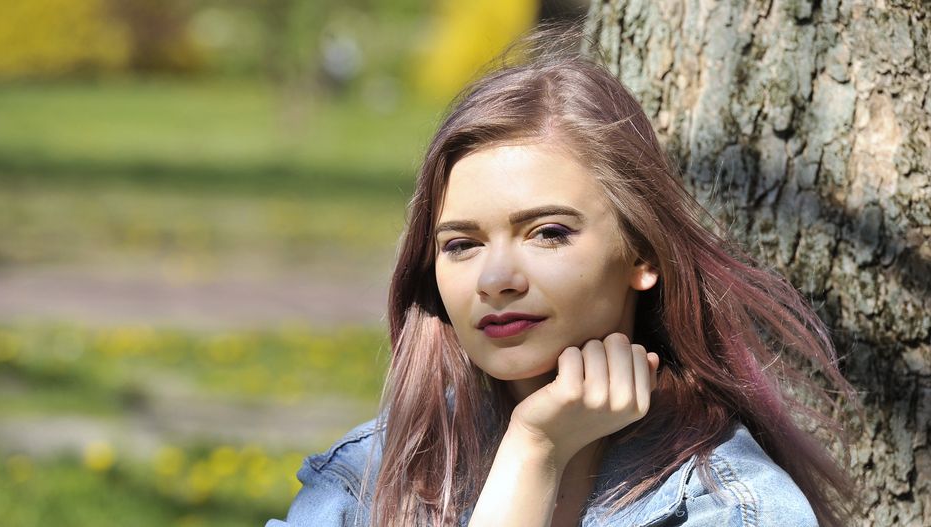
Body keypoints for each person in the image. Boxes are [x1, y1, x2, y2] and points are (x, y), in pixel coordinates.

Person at [266, 29, 858, 527]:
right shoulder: (364, 479)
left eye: (548, 233)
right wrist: (533, 451)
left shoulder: (730, 507)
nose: (496, 278)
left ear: (643, 254)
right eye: (462, 244)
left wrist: (536, 448)